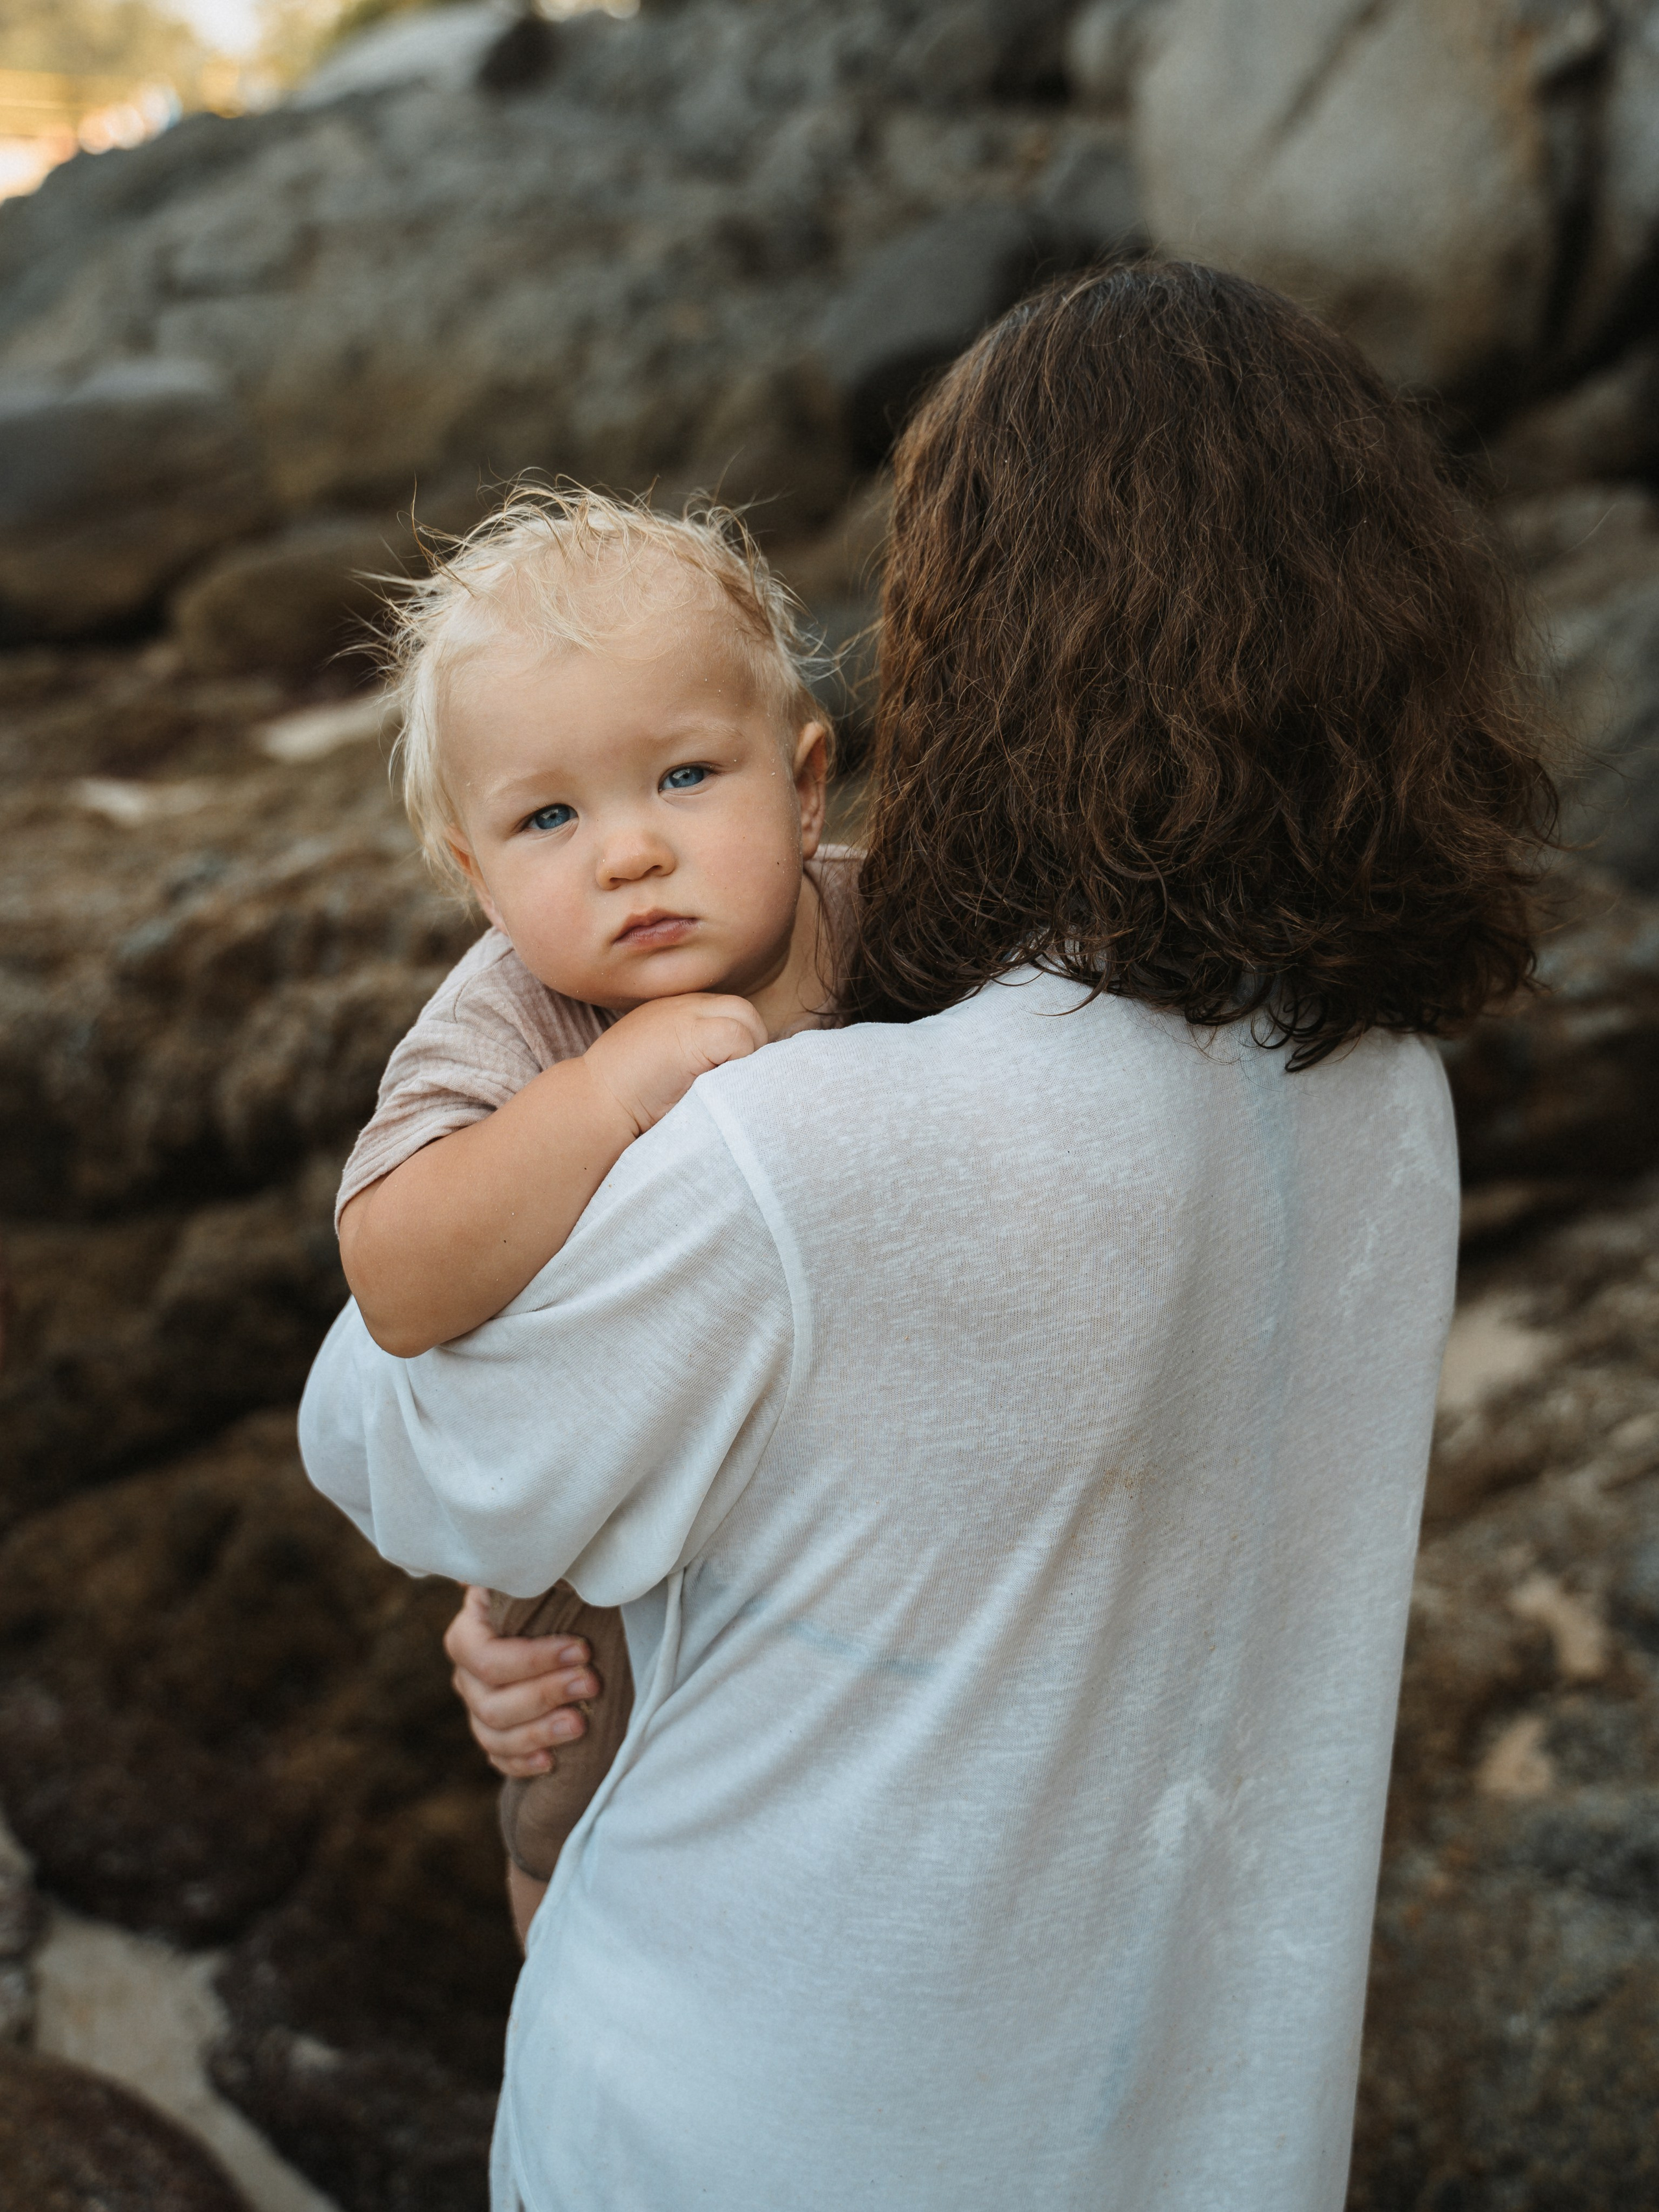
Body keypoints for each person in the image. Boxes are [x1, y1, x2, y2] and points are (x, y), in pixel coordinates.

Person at [300, 261, 1556, 2211]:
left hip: (757, 2126)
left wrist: (542, 1543)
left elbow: (388, 1422)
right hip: (1206, 2137)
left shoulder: (808, 1147)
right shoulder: (1392, 1099)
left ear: (970, 651)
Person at [331, 490, 857, 1938]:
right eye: (549, 817)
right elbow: (392, 1276)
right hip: (596, 1577)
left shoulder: (890, 930)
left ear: (803, 783)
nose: (626, 852)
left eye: (685, 776)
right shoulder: (512, 1019)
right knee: (570, 1813)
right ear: (474, 875)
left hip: (830, 1536)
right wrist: (608, 1090)